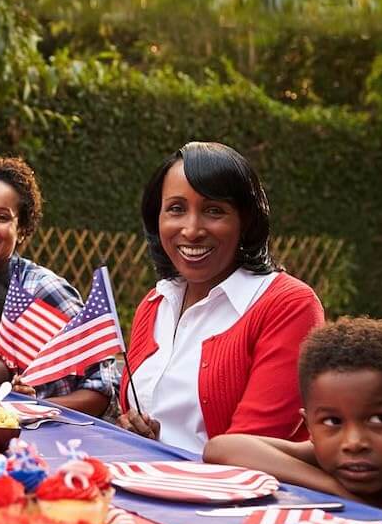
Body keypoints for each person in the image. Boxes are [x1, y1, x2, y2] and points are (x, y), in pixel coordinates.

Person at [118, 141, 324, 452]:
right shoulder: (155, 302)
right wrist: (139, 431)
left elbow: (246, 451)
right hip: (147, 475)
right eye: (176, 209)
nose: (191, 230)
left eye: (214, 211)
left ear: (246, 221)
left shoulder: (289, 305)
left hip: (234, 484)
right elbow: (145, 415)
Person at [0, 157, 115, 415]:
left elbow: (102, 392)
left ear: (23, 230)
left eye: (1, 217)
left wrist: (23, 407)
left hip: (50, 432)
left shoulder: (44, 289)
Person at [204, 318, 382, 520]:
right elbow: (221, 448)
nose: (354, 443)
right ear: (309, 427)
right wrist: (336, 490)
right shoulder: (324, 457)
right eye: (333, 422)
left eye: (378, 419)